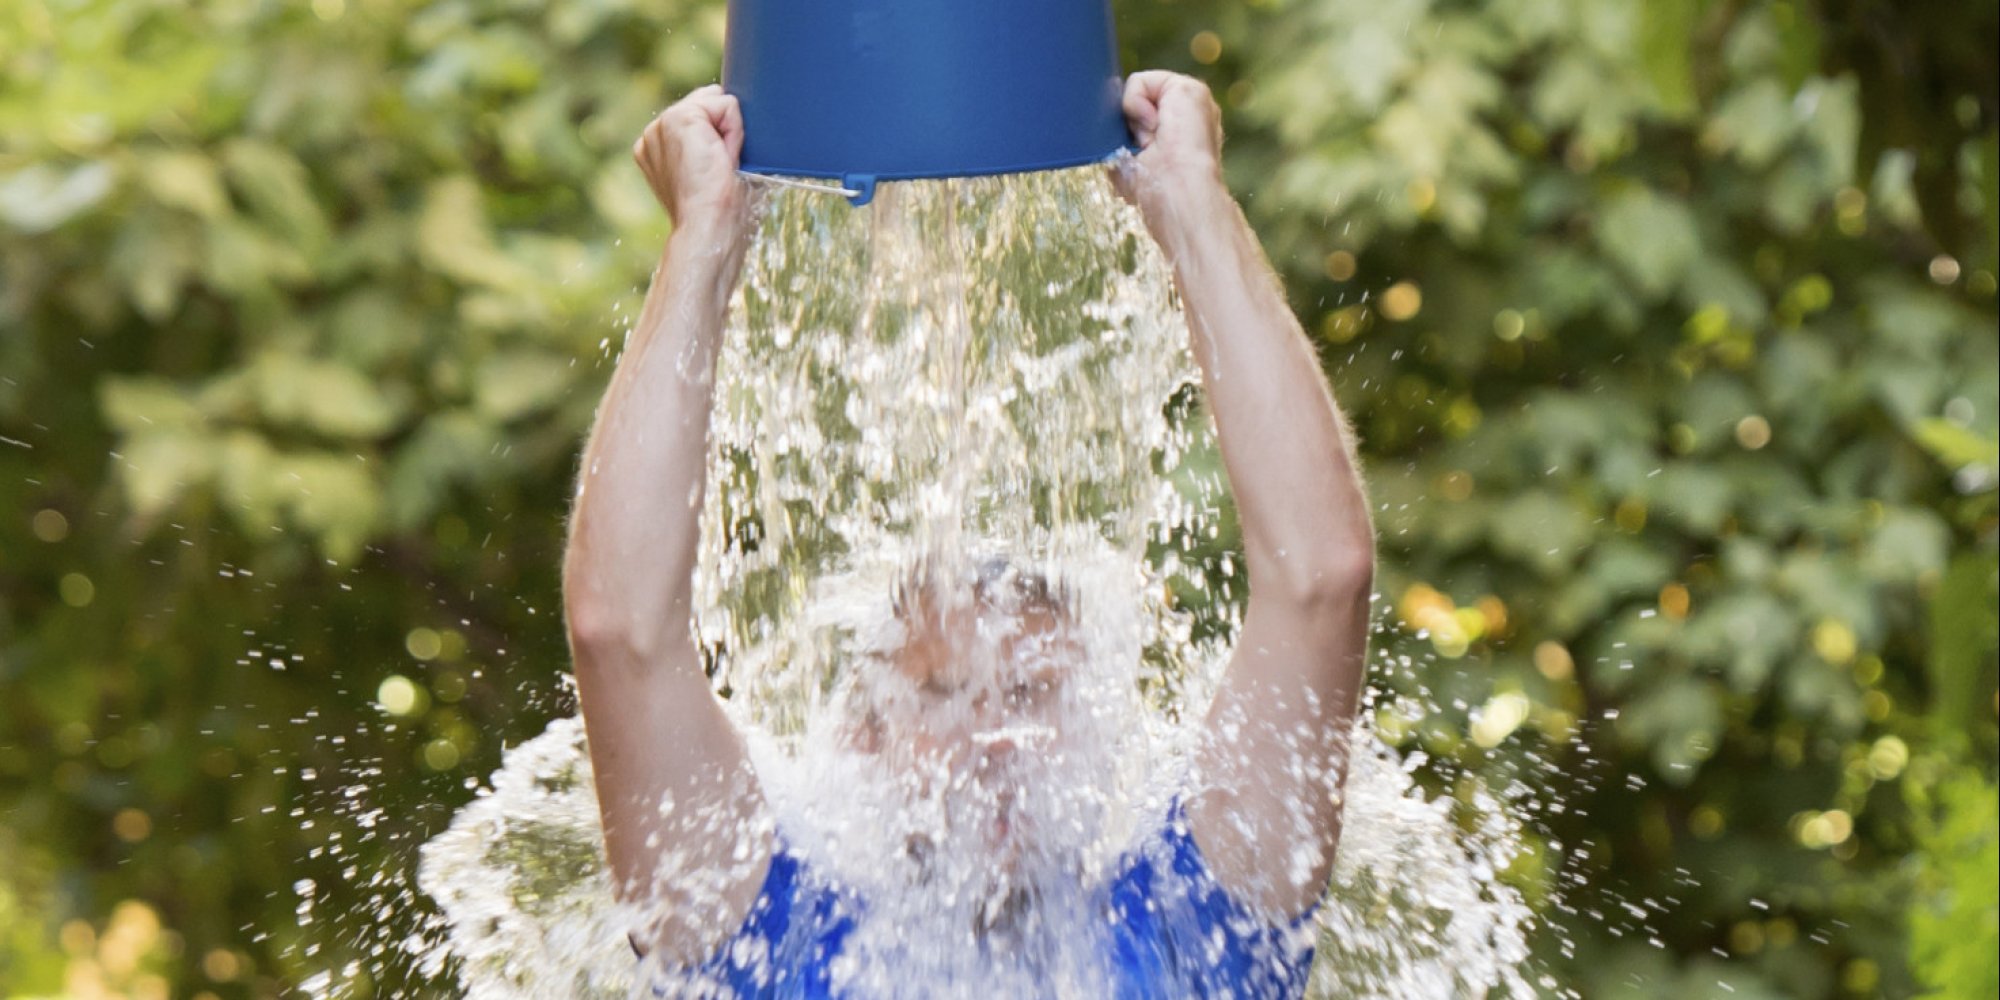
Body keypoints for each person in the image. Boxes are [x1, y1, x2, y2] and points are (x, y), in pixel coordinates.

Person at [560, 69, 1376, 998]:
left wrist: (1193, 202)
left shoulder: (1198, 921)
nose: (993, 735)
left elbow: (1321, 579)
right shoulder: (759, 937)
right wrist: (702, 238)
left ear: (1108, 723)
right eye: (944, 693)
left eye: (1033, 691)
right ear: (863, 735)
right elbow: (619, 631)